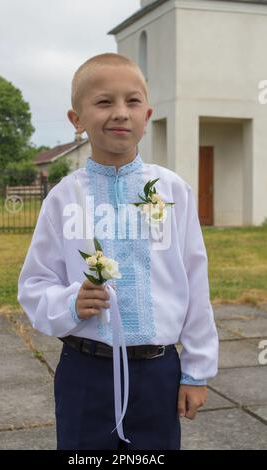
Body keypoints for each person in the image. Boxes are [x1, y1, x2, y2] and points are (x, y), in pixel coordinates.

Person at [18, 53, 219, 451]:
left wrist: (196, 371)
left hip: (158, 373)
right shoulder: (63, 198)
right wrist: (70, 302)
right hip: (85, 372)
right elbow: (35, 283)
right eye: (104, 102)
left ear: (147, 114)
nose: (120, 113)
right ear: (77, 119)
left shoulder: (172, 191)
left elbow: (195, 280)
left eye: (131, 102)